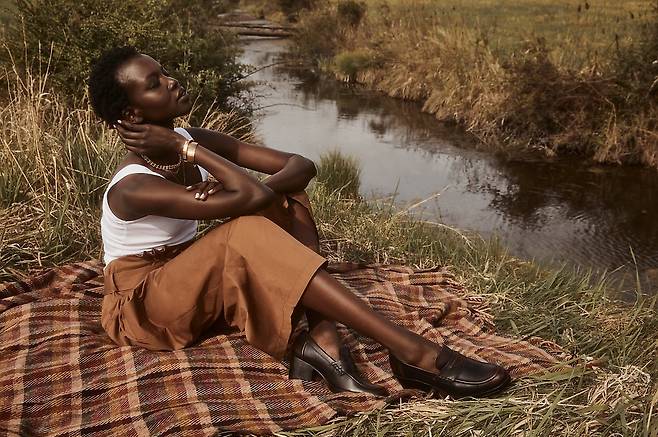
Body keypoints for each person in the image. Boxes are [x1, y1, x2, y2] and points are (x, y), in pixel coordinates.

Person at [88, 46, 511, 399]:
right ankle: (413, 353)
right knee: (246, 227)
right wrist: (195, 156)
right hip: (142, 308)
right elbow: (250, 197)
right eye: (155, 83)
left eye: (165, 72)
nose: (172, 81)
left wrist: (221, 171)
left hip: (188, 279)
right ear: (132, 114)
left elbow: (300, 165)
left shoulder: (195, 138)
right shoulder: (133, 186)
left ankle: (324, 338)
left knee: (289, 198)